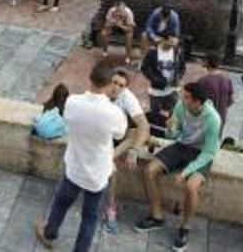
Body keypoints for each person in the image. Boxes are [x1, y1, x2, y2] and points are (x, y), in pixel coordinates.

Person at [35, 62, 127, 252]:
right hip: (98, 174)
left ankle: (50, 234)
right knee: (90, 218)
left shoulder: (73, 102)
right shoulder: (114, 113)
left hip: (75, 167)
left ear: (90, 79)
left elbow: (68, 120)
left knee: (60, 204)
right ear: (110, 83)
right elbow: (119, 134)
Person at [135, 83, 221, 252]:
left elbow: (209, 152)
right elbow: (175, 135)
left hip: (201, 153)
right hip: (182, 146)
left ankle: (185, 229)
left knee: (191, 186)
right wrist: (170, 128)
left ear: (198, 103)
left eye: (187, 97)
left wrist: (187, 172)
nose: (183, 99)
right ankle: (157, 216)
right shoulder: (181, 107)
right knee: (149, 170)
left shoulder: (213, 119)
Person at [102, 69, 150, 234]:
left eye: (121, 85)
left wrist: (134, 150)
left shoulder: (127, 97)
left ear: (125, 88)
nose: (116, 87)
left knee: (138, 133)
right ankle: (111, 206)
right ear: (109, 81)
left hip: (120, 138)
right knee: (112, 171)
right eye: (114, 83)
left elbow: (144, 125)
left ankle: (109, 158)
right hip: (102, 136)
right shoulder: (101, 91)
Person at [142, 32, 186, 137]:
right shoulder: (153, 53)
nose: (173, 44)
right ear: (163, 40)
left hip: (172, 90)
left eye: (175, 42)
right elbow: (145, 68)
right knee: (155, 117)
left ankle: (170, 134)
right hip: (156, 91)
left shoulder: (177, 52)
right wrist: (156, 80)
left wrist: (178, 77)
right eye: (171, 42)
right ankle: (154, 137)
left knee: (175, 113)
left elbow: (182, 67)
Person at [197, 53, 234, 130]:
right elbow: (231, 100)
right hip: (221, 117)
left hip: (207, 118)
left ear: (207, 63)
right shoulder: (227, 80)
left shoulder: (202, 81)